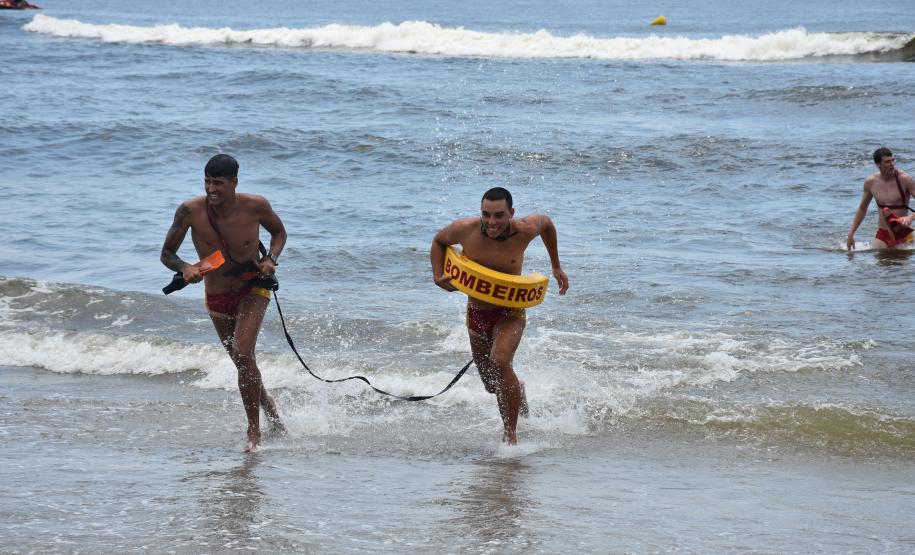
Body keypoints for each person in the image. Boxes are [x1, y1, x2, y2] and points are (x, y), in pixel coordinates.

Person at [160, 154, 287, 452]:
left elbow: (279, 233)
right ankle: (269, 407)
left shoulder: (256, 205)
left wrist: (271, 258)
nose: (211, 189)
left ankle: (253, 432)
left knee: (243, 352)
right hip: (217, 297)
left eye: (218, 183)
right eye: (207, 182)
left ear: (234, 183)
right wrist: (185, 268)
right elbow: (166, 253)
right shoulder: (189, 211)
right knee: (243, 362)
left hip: (252, 288)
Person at [431, 187, 569, 445]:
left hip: (511, 311)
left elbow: (547, 224)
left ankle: (511, 436)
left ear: (511, 213)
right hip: (477, 313)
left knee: (500, 362)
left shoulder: (525, 230)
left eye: (498, 215)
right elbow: (439, 242)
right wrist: (438, 276)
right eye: (486, 214)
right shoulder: (465, 229)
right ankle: (519, 391)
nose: (491, 222)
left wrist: (556, 265)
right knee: (492, 384)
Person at [847, 147, 915, 250]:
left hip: (903, 233)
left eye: (893, 160)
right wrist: (851, 234)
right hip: (883, 233)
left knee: (901, 264)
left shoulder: (905, 179)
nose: (892, 164)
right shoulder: (870, 182)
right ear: (878, 164)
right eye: (888, 162)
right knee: (878, 262)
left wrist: (909, 218)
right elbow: (862, 208)